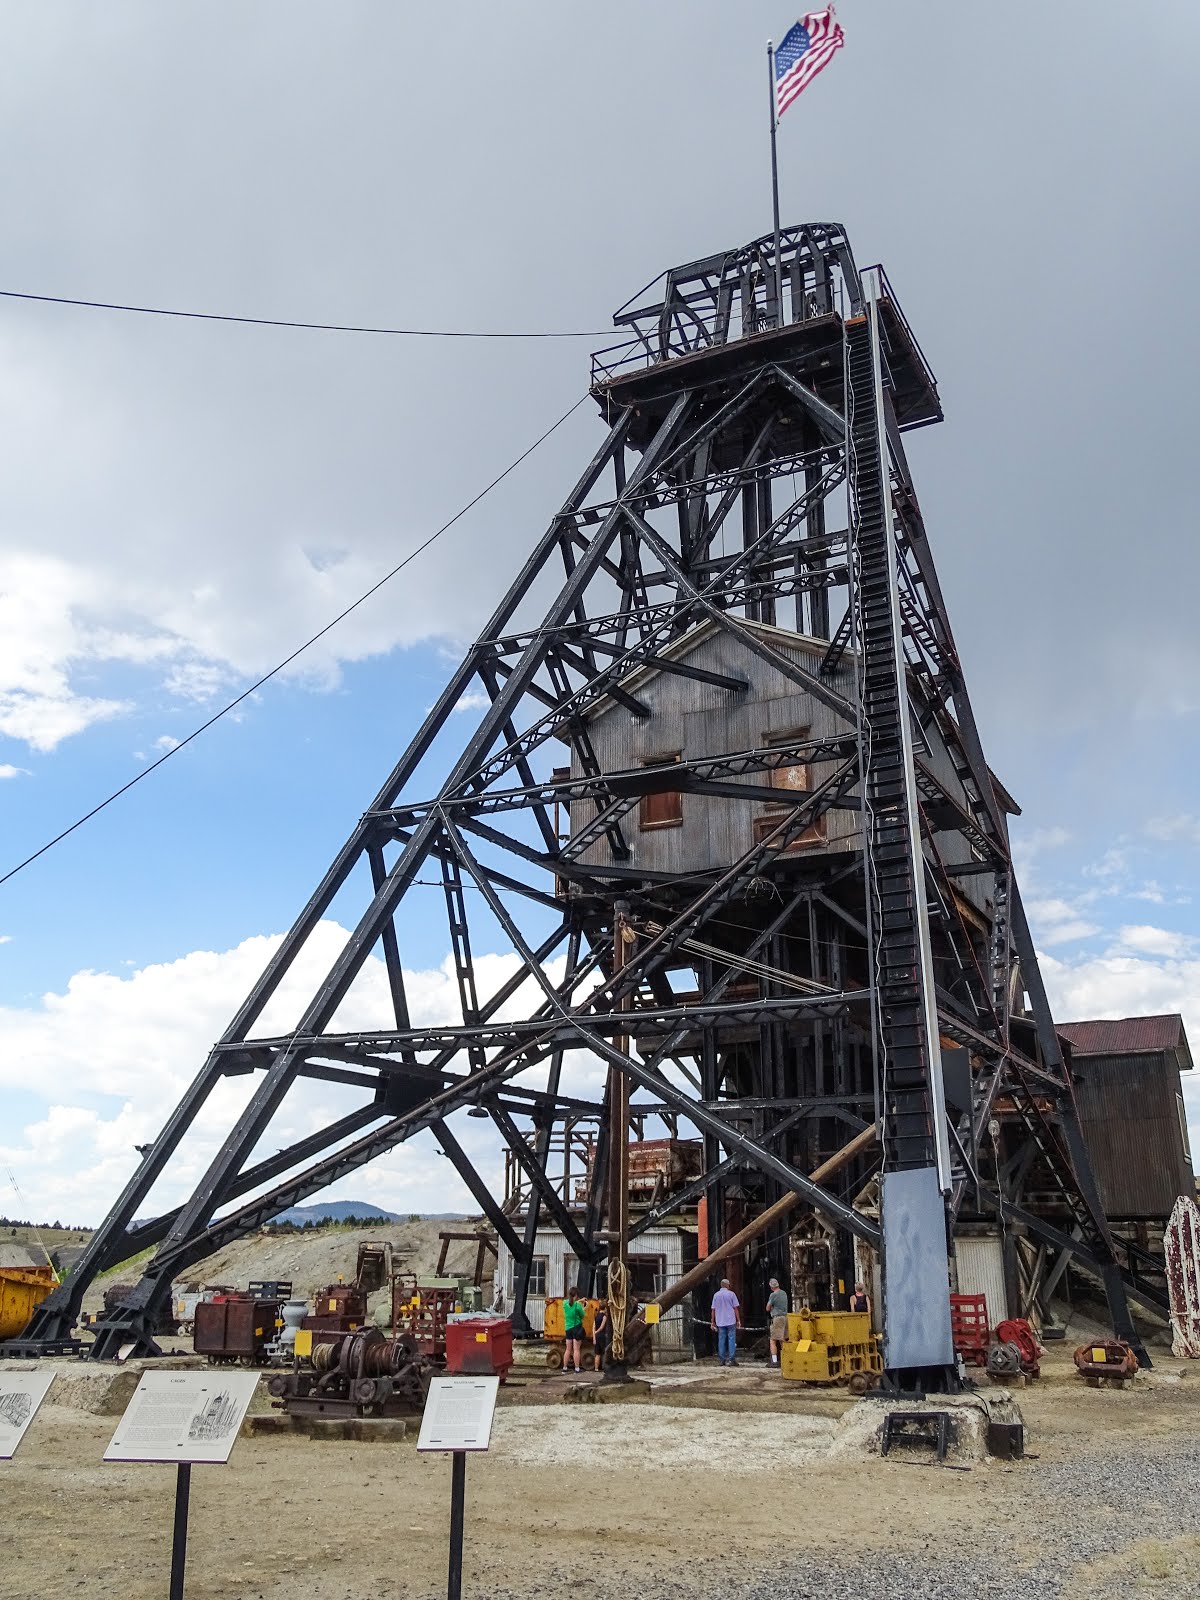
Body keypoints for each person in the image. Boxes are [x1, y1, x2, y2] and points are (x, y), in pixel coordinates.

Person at [710, 1277, 741, 1367]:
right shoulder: (731, 1294)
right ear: (727, 1285)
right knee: (731, 1339)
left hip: (720, 1321)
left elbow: (713, 1309)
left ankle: (722, 1360)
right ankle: (731, 1359)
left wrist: (713, 1321)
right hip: (731, 1320)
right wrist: (738, 1320)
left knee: (721, 1339)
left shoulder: (716, 1295)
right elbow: (735, 1308)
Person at [766, 1276, 789, 1367]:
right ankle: (787, 1359)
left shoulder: (773, 1295)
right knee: (783, 1339)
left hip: (777, 1318)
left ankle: (774, 1361)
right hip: (785, 1318)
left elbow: (767, 1308)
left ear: (771, 1287)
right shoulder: (784, 1293)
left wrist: (772, 1307)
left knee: (773, 1340)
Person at [562, 1287, 586, 1373]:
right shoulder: (578, 1306)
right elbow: (583, 1316)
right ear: (576, 1295)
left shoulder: (564, 1303)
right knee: (576, 1349)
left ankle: (564, 1368)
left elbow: (571, 1303)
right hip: (576, 1328)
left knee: (568, 1349)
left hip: (568, 1328)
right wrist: (584, 1308)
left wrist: (579, 1301)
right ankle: (577, 1368)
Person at [592, 1300, 609, 1372]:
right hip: (602, 1335)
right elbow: (602, 1327)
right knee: (604, 1352)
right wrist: (597, 1331)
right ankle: (604, 1367)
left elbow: (593, 1327)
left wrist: (594, 1336)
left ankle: (596, 1368)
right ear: (605, 1308)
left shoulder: (596, 1316)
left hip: (596, 1336)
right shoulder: (604, 1317)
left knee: (597, 1354)